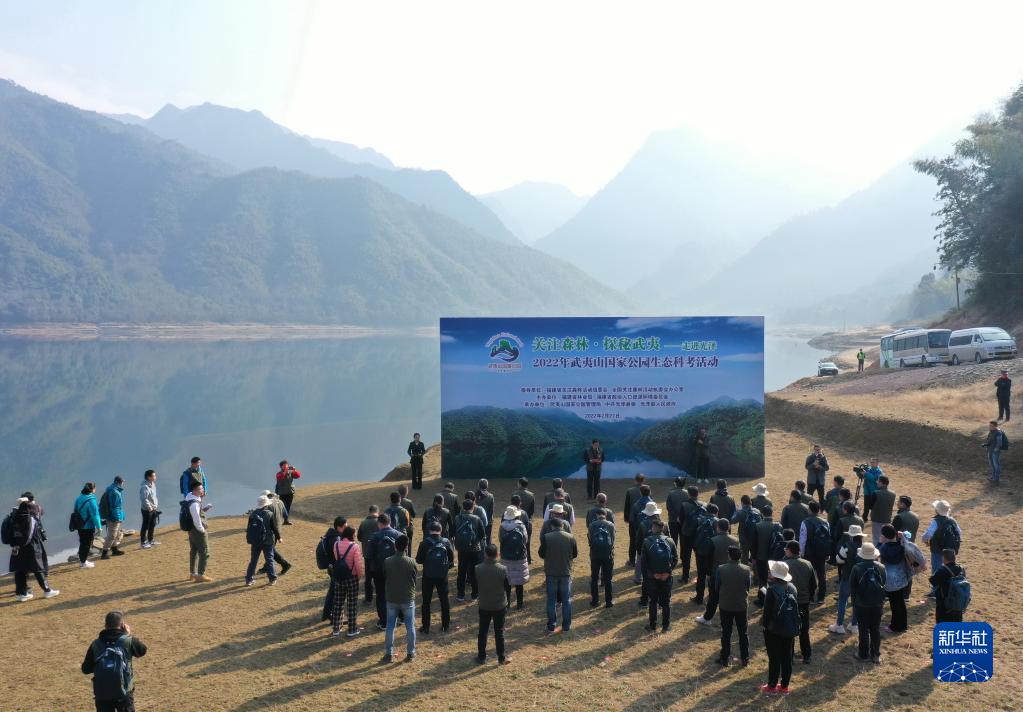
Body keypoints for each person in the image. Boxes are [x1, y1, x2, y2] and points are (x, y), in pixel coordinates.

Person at [81, 611, 147, 712]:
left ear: (105, 625)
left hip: (102, 693)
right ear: (122, 625)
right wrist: (127, 635)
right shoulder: (128, 641)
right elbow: (142, 651)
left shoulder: (95, 644)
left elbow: (86, 669)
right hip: (124, 692)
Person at [8, 497, 58, 601]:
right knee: (38, 569)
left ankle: (21, 594)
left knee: (20, 571)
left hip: (16, 548)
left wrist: (15, 544)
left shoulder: (12, 517)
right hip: (30, 548)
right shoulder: (30, 519)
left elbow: (9, 534)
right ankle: (47, 591)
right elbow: (30, 535)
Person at [760, 560, 797, 695]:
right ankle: (784, 686)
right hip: (789, 628)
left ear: (775, 575)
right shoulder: (792, 588)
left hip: (774, 629)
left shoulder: (771, 590)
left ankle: (772, 686)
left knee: (774, 658)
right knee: (787, 658)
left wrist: (764, 626)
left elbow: (767, 613)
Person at [381, 534, 417, 664]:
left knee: (390, 626)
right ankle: (411, 653)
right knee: (410, 626)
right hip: (407, 597)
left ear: (395, 546)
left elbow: (385, 576)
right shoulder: (411, 562)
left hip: (392, 597)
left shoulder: (387, 561)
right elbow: (414, 579)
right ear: (406, 547)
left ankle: (389, 653)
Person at [696, 517, 738, 626]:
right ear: (728, 527)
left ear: (718, 528)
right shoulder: (735, 540)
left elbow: (709, 559)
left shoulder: (713, 540)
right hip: (731, 572)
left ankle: (707, 618)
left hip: (716, 573)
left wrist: (708, 574)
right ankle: (730, 619)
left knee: (713, 597)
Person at [849, 541, 886, 663]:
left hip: (861, 604)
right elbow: (884, 584)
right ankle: (876, 655)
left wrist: (854, 602)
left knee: (863, 629)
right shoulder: (881, 567)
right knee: (875, 629)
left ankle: (863, 654)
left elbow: (852, 587)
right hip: (877, 603)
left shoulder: (856, 568)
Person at [715, 546, 752, 667]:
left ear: (729, 556)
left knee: (726, 632)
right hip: (741, 605)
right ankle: (745, 658)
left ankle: (724, 658)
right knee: (743, 633)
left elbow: (717, 587)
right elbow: (748, 587)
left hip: (726, 605)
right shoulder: (747, 570)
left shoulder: (721, 569)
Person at [415, 520, 454, 634]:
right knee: (444, 600)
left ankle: (426, 626)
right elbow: (451, 559)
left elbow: (419, 560)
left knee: (426, 601)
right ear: (441, 530)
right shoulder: (446, 542)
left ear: (429, 531)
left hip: (428, 575)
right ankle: (445, 625)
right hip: (442, 575)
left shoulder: (424, 543)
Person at [475, 543, 512, 664]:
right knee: (499, 632)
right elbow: (507, 587)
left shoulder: (478, 568)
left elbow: (476, 585)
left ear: (485, 554)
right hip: (499, 605)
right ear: (497, 554)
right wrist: (507, 602)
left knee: (482, 632)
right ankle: (501, 657)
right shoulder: (502, 569)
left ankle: (481, 657)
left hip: (484, 605)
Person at [539, 517, 576, 632]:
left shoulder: (546, 537)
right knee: (566, 600)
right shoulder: (570, 537)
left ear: (552, 526)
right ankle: (566, 626)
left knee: (551, 600)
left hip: (551, 572)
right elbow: (575, 554)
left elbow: (541, 554)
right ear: (562, 526)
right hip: (565, 572)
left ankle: (551, 625)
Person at [366, 513, 401, 629]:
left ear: (379, 523)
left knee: (381, 595)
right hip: (395, 569)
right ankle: (400, 617)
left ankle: (384, 621)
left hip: (379, 570)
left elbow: (368, 555)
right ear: (390, 522)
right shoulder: (399, 535)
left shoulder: (374, 537)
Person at [782, 541, 815, 664]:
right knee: (804, 630)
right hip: (804, 601)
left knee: (789, 630)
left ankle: (788, 656)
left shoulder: (785, 565)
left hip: (789, 602)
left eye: (786, 549)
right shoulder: (808, 564)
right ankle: (806, 655)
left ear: (790, 551)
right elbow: (813, 584)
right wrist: (809, 597)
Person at [642, 519, 678, 632]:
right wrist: (668, 572)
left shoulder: (647, 541)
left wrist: (652, 575)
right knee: (666, 603)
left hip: (652, 578)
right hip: (666, 577)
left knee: (653, 602)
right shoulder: (670, 541)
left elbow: (644, 563)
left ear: (653, 528)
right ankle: (666, 626)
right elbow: (675, 559)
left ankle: (652, 625)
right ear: (663, 529)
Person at [921, 499, 961, 597]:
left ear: (937, 510)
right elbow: (959, 532)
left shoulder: (936, 521)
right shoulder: (952, 520)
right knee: (949, 569)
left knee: (936, 569)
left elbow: (928, 534)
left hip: (937, 549)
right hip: (950, 550)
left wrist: (924, 540)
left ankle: (936, 591)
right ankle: (948, 589)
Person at [329, 525, 364, 637]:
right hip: (351, 578)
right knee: (351, 604)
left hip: (339, 577)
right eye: (354, 534)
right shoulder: (355, 547)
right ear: (351, 535)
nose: (355, 536)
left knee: (338, 603)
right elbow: (358, 564)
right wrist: (359, 576)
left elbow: (336, 558)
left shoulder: (336, 544)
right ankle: (352, 629)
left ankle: (336, 628)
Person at [829, 524, 863, 635]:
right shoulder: (863, 547)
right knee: (856, 602)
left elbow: (839, 560)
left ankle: (839, 625)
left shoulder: (846, 546)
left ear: (851, 535)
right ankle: (854, 625)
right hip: (859, 579)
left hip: (847, 576)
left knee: (843, 601)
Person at [453, 500, 486, 602]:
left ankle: (460, 595)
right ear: (473, 507)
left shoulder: (457, 518)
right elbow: (482, 534)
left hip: (462, 549)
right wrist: (475, 542)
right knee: (474, 572)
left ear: (463, 507)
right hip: (474, 549)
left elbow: (453, 532)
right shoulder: (477, 519)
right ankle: (474, 595)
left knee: (461, 572)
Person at [877, 525, 908, 633]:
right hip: (901, 577)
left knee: (894, 604)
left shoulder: (884, 548)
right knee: (900, 602)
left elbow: (875, 554)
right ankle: (903, 625)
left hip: (890, 580)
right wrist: (902, 537)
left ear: (885, 536)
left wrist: (880, 542)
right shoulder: (901, 545)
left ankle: (895, 627)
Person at [244, 495, 279, 587]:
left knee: (253, 560)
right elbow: (274, 528)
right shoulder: (270, 514)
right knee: (269, 560)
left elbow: (249, 528)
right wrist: (279, 537)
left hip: (256, 541)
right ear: (266, 505)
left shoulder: (253, 514)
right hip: (268, 541)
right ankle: (272, 579)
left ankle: (249, 579)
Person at [798, 501, 830, 603]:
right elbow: (828, 539)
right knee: (822, 575)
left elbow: (803, 540)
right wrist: (827, 553)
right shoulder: (825, 522)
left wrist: (801, 553)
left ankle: (811, 597)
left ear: (810, 510)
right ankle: (821, 597)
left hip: (809, 553)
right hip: (821, 553)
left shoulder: (805, 522)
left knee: (810, 576)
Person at [498, 506, 529, 609]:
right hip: (519, 556)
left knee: (507, 581)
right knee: (519, 581)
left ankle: (507, 604)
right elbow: (525, 540)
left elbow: (500, 540)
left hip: (506, 556)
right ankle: (519, 604)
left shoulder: (502, 526)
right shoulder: (521, 526)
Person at [750, 505, 781, 602]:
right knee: (775, 579)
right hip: (775, 557)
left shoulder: (758, 526)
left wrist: (753, 557)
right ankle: (774, 599)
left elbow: (753, 544)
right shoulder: (778, 526)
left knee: (762, 580)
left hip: (761, 557)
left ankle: (762, 599)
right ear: (772, 513)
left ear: (762, 514)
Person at [691, 502, 719, 605]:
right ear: (716, 512)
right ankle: (712, 597)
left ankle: (699, 597)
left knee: (701, 574)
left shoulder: (700, 519)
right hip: (711, 552)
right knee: (711, 575)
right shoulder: (717, 522)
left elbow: (694, 534)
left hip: (700, 551)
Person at [319, 516, 346, 623]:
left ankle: (327, 614)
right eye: (344, 527)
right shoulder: (336, 539)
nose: (346, 529)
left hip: (331, 567)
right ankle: (334, 616)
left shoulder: (330, 534)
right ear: (339, 527)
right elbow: (338, 556)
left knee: (332, 591)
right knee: (337, 593)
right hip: (335, 568)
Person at [184, 483, 212, 582]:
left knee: (194, 551)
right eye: (200, 489)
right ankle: (200, 575)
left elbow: (196, 514)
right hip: (197, 531)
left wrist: (204, 509)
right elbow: (196, 519)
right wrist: (202, 530)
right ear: (195, 491)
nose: (203, 490)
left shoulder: (189, 497)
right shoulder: (194, 504)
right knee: (205, 552)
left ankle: (192, 574)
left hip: (191, 530)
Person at [587, 508, 615, 608]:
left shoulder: (592, 525)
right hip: (608, 555)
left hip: (595, 554)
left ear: (597, 515)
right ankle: (609, 602)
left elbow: (590, 540)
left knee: (594, 578)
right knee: (608, 579)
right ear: (605, 515)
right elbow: (612, 540)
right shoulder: (611, 525)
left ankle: (595, 601)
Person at [259, 491, 292, 576]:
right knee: (270, 549)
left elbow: (264, 519)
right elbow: (285, 514)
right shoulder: (280, 501)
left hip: (270, 530)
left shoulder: (267, 505)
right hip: (278, 529)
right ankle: (266, 567)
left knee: (270, 549)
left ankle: (285, 564)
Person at [929, 549, 966, 624]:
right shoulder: (961, 569)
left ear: (944, 558)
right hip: (958, 601)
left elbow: (932, 581)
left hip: (945, 602)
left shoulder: (943, 570)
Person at [630, 484, 655, 582]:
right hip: (653, 533)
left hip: (640, 531)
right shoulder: (653, 503)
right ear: (650, 492)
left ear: (640, 493)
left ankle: (638, 577)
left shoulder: (636, 504)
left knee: (640, 557)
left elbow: (633, 520)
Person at [74, 482, 102, 569]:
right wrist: (99, 527)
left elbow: (75, 510)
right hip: (88, 526)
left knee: (82, 543)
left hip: (80, 525)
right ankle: (83, 563)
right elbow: (95, 515)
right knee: (87, 544)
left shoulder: (79, 498)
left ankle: (83, 561)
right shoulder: (91, 500)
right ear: (92, 489)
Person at [357, 505, 380, 604]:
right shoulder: (380, 522)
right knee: (379, 576)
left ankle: (368, 598)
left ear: (369, 511)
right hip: (379, 554)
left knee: (368, 577)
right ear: (377, 512)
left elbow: (359, 537)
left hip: (367, 554)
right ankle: (380, 596)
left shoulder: (363, 523)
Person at [679, 486, 703, 582]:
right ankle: (700, 576)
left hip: (687, 534)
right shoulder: (703, 505)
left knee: (686, 556)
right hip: (699, 534)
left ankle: (685, 577)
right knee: (699, 556)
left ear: (688, 494)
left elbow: (681, 520)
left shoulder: (684, 505)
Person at [100, 476, 126, 560]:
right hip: (113, 517)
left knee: (115, 533)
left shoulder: (111, 489)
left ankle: (115, 550)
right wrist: (117, 517)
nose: (123, 483)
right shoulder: (115, 492)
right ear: (119, 482)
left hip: (110, 515)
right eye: (122, 482)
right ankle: (104, 553)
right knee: (112, 535)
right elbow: (115, 506)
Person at [622, 473, 646, 566]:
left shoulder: (630, 491)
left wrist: (626, 517)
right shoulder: (647, 489)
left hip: (633, 519)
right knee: (643, 539)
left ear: (635, 480)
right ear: (643, 480)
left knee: (632, 540)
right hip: (644, 518)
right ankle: (643, 560)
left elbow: (627, 505)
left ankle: (632, 560)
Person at [733, 495, 762, 565]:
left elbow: (732, 521)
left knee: (744, 556)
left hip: (744, 538)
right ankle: (754, 569)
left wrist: (736, 511)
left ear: (742, 503)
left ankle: (745, 568)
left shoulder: (740, 513)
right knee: (754, 556)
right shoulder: (757, 511)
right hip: (755, 538)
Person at [385, 492, 412, 559]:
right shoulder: (405, 511)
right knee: (403, 554)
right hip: (402, 535)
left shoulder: (386, 511)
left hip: (389, 535)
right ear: (400, 499)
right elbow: (407, 524)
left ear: (391, 500)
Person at [274, 460, 300, 525]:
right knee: (282, 507)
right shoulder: (278, 474)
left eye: (286, 465)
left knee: (288, 507)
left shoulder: (290, 473)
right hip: (282, 493)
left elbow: (298, 476)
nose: (286, 466)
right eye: (284, 465)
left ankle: (286, 520)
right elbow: (280, 477)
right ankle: (280, 519)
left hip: (290, 492)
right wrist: (286, 471)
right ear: (281, 467)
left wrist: (294, 470)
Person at [665, 477, 689, 548]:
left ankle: (674, 554)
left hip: (673, 520)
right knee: (684, 541)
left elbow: (669, 507)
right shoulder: (688, 493)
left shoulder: (671, 494)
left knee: (673, 540)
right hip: (684, 521)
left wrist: (676, 516)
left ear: (675, 484)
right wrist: (681, 517)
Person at [510, 494, 533, 564]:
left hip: (510, 535)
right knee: (526, 546)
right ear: (520, 503)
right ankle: (528, 559)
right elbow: (527, 525)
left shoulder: (507, 512)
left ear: (511, 503)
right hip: (521, 534)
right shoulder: (524, 513)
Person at [139, 470, 159, 549]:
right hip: (147, 509)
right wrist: (149, 507)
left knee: (152, 524)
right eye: (154, 476)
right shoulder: (144, 487)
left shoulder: (153, 484)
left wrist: (155, 505)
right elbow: (144, 499)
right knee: (145, 526)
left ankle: (150, 540)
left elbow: (154, 496)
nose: (155, 477)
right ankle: (143, 542)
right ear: (148, 477)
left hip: (153, 508)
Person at [983, 420, 1006, 485]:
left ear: (995, 426)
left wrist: (996, 448)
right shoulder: (991, 432)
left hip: (995, 452)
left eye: (991, 426)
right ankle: (993, 477)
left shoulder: (998, 433)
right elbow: (989, 440)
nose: (990, 427)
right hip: (990, 450)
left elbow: (999, 443)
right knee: (992, 464)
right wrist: (986, 444)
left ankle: (996, 479)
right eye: (989, 426)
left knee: (996, 465)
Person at [397, 485, 417, 551]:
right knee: (409, 544)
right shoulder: (409, 502)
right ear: (406, 492)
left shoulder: (395, 502)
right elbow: (414, 514)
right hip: (408, 527)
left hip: (398, 528)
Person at [476, 479, 496, 544]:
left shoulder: (475, 495)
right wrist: (487, 520)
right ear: (487, 486)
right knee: (488, 538)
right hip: (488, 521)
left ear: (479, 486)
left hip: (477, 520)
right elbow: (491, 510)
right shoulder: (491, 496)